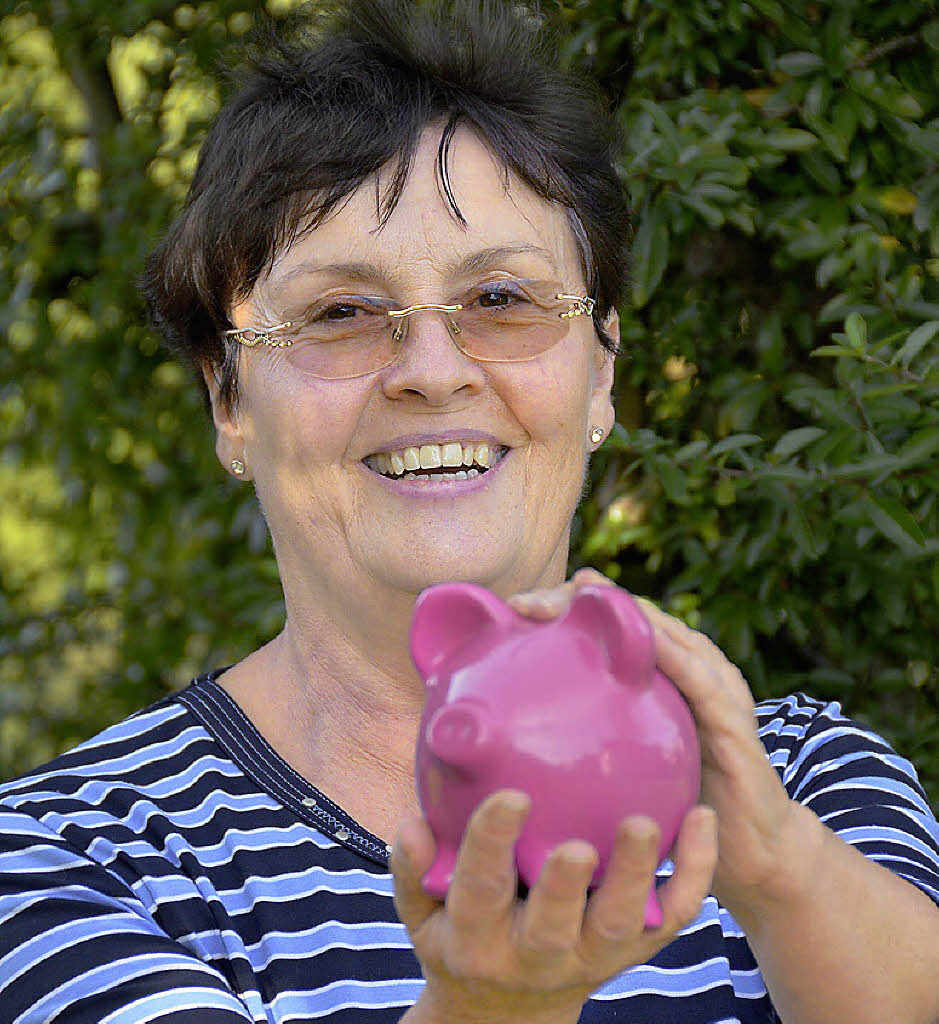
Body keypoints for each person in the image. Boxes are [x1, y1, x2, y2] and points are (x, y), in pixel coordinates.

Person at [1, 1, 937, 1022]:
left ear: (602, 370)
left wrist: (779, 867)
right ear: (227, 399)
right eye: (342, 314)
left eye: (502, 299)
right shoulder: (70, 851)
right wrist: (489, 1005)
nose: (433, 373)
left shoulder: (803, 779)